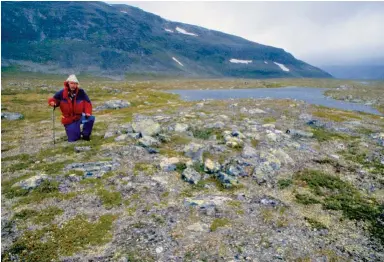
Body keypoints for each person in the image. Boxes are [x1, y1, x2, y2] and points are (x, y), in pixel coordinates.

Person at [48, 74, 95, 142]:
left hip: (79, 117)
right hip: (68, 120)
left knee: (91, 118)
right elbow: (54, 100)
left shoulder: (81, 92)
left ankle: (85, 135)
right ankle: (76, 133)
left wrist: (87, 112)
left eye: (75, 84)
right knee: (74, 139)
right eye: (72, 83)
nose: (73, 85)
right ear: (68, 83)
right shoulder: (61, 93)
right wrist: (53, 103)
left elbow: (87, 102)